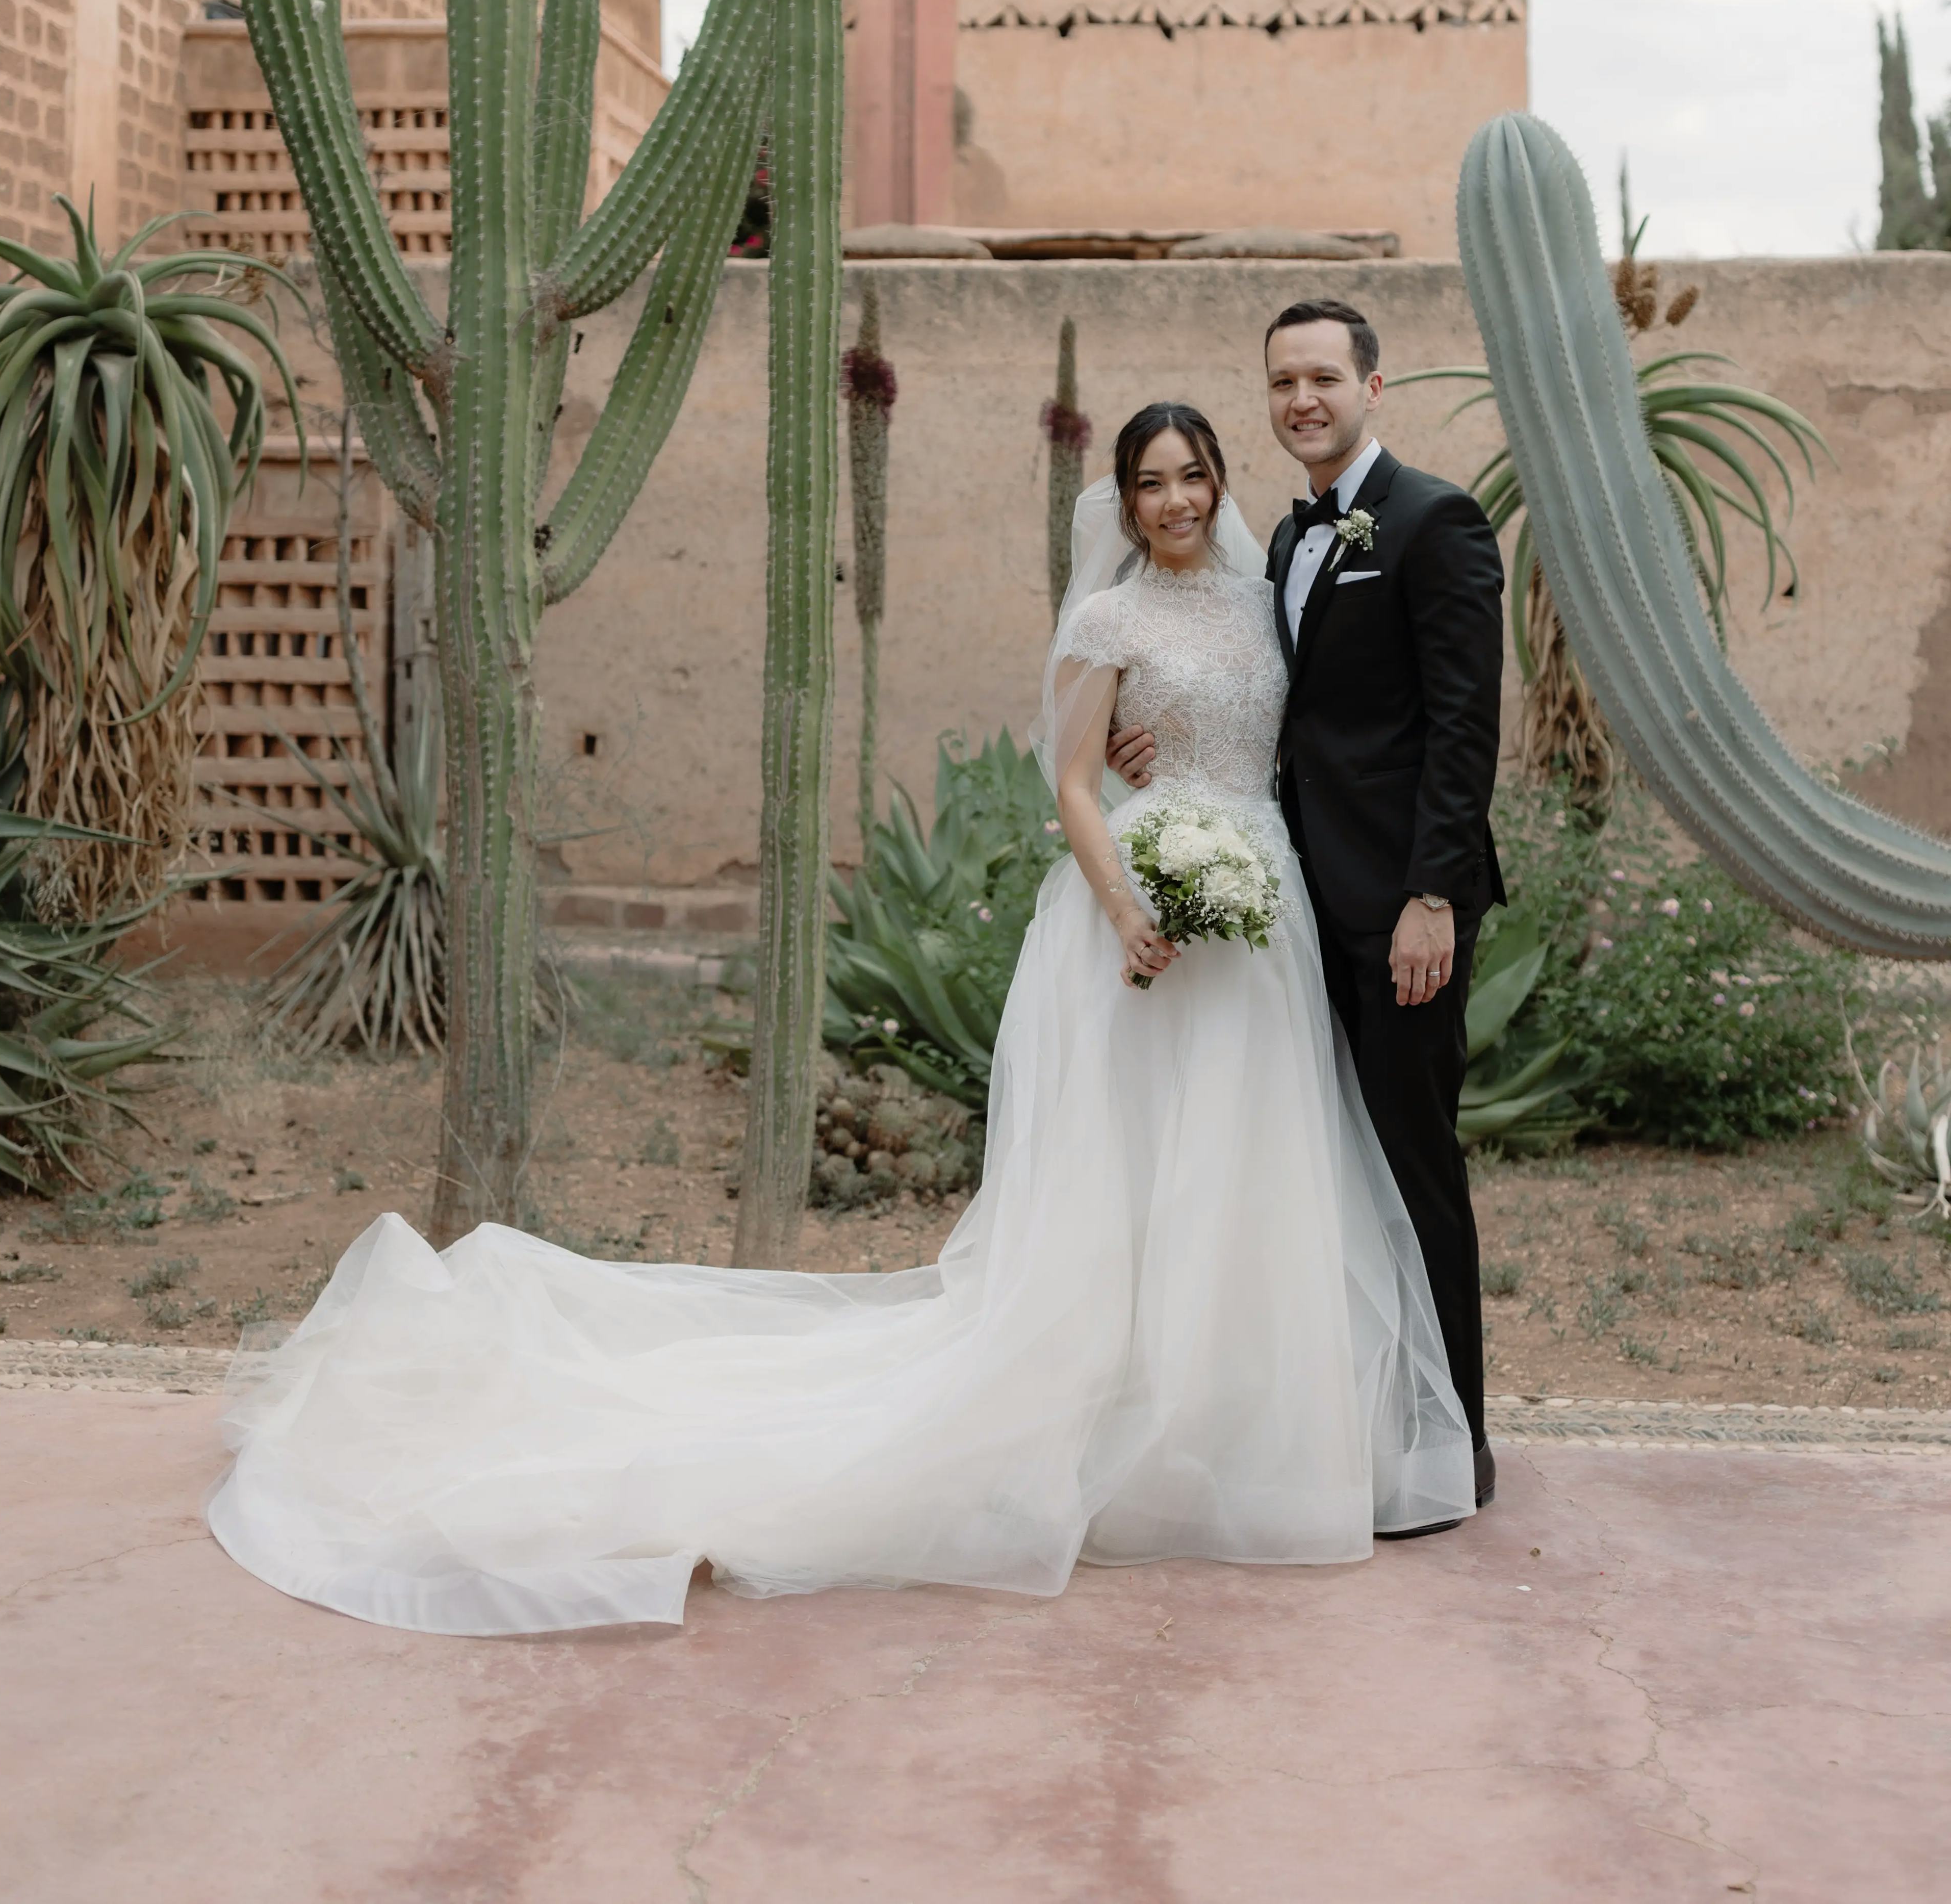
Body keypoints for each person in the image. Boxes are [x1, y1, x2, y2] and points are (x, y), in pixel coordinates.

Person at [206, 402, 1474, 1638]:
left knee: (1248, 1176)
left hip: (1261, 915)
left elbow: (1321, 723)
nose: (1178, 499)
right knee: (1130, 1176)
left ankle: (1233, 1429)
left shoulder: (1271, 592)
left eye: (1193, 473)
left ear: (1220, 477)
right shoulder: (1108, 613)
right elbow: (1074, 775)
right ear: (1124, 502)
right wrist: (1127, 901)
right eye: (1151, 482)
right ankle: (1114, 1431)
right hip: (1138, 912)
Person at [1111, 304, 1506, 1525]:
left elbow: (1464, 725)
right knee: (1333, 1173)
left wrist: (1432, 893)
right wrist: (1163, 754)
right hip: (1290, 904)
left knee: (1413, 1164)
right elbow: (1279, 711)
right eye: (1282, 380)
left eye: (1323, 375)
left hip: (1399, 907)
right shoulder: (1284, 535)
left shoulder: (1436, 522)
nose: (1302, 397)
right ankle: (1361, 1424)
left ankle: (1457, 1445)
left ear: (1371, 383)